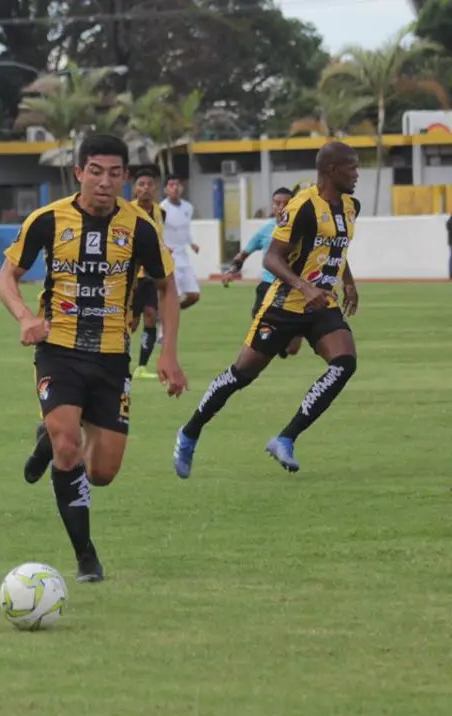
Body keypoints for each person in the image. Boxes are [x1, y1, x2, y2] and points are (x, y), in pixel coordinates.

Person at [0, 134, 188, 583]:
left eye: (114, 173)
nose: (105, 182)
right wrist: (25, 316)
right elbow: (8, 276)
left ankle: (49, 436)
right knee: (69, 451)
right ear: (79, 173)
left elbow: (166, 288)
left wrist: (169, 354)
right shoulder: (48, 220)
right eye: (95, 172)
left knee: (102, 472)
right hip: (58, 351)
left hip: (111, 358)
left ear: (125, 177)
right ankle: (86, 558)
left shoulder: (140, 227)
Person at [174, 141, 361, 477]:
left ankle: (286, 438)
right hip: (284, 305)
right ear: (333, 170)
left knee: (344, 363)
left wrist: (347, 281)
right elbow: (271, 258)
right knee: (241, 375)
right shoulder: (303, 206)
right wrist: (304, 287)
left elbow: (337, 246)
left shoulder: (351, 206)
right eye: (352, 167)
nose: (357, 174)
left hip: (321, 304)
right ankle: (189, 431)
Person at [223, 186, 302, 358]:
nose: (281, 207)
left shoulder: (302, 230)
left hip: (293, 287)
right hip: (268, 285)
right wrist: (232, 270)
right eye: (277, 203)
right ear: (272, 206)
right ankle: (243, 364)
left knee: (294, 348)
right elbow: (243, 254)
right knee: (261, 335)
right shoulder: (266, 230)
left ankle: (282, 342)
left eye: (286, 203)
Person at [129, 167, 169, 379]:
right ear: (135, 189)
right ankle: (118, 361)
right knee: (130, 322)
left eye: (150, 185)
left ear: (155, 188)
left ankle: (142, 367)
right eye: (141, 184)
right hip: (132, 276)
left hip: (152, 275)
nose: (145, 189)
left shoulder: (160, 212)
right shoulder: (126, 211)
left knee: (151, 317)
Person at [160, 174, 201, 309]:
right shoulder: (162, 209)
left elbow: (185, 228)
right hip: (170, 258)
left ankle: (172, 312)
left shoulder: (188, 207)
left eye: (177, 184)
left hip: (184, 256)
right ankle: (165, 321)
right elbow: (157, 231)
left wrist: (191, 243)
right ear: (166, 189)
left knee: (194, 295)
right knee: (172, 295)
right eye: (171, 185)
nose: (175, 188)